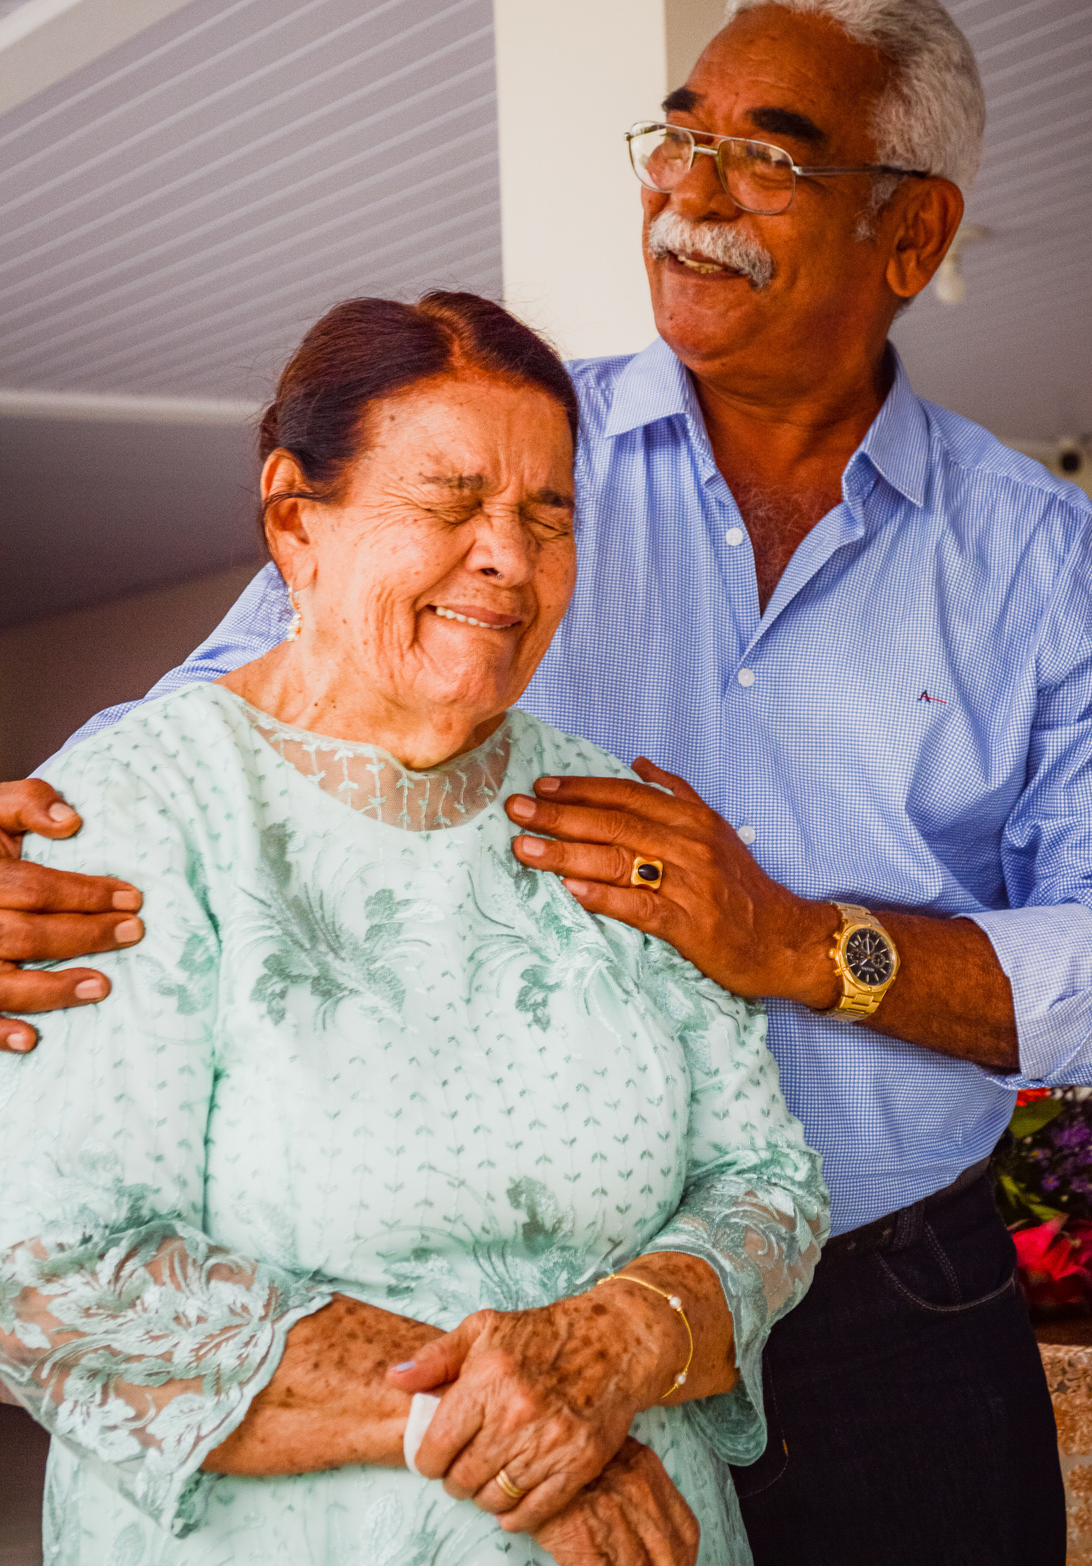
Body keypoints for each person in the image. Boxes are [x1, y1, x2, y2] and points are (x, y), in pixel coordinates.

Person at [4, 0, 1092, 1563]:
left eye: (765, 157)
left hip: (897, 1310)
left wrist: (804, 944)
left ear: (912, 233)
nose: (689, 193)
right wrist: (41, 853)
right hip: (491, 1333)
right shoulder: (518, 445)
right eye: (678, 135)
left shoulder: (1051, 572)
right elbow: (245, 710)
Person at [0, 292, 828, 1566]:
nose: (508, 556)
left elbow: (767, 1180)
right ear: (297, 518)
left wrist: (617, 1341)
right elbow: (60, 1273)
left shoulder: (618, 816)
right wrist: (505, 1420)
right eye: (450, 501)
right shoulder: (131, 813)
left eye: (546, 515)